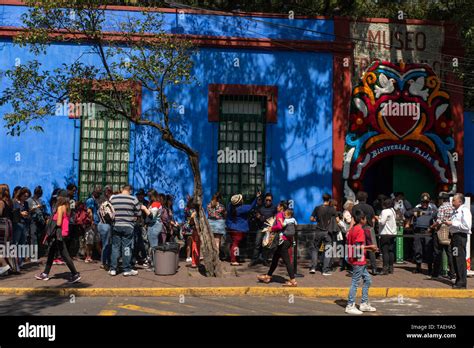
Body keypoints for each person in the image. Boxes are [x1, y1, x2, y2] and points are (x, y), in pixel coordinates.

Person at [35, 196, 81, 283]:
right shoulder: (67, 208)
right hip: (63, 233)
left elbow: (59, 223)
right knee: (51, 253)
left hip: (59, 234)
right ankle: (45, 273)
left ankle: (75, 274)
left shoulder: (60, 207)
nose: (57, 199)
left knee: (65, 255)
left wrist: (51, 221)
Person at [108, 185, 150, 276]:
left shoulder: (113, 199)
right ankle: (126, 269)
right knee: (126, 247)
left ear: (122, 189)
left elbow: (109, 210)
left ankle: (113, 269)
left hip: (115, 225)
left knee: (115, 247)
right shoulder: (133, 199)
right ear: (130, 191)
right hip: (128, 226)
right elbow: (138, 213)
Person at [345, 210, 378, 315]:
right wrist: (370, 247)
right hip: (358, 260)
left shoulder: (353, 229)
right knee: (355, 282)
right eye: (365, 218)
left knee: (368, 280)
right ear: (362, 219)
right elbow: (358, 247)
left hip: (357, 259)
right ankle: (350, 305)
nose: (366, 220)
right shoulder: (359, 230)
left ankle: (363, 304)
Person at [258, 204, 297, 287]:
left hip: (283, 241)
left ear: (281, 207)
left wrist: (271, 228)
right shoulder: (288, 216)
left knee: (287, 261)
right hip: (287, 240)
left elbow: (279, 226)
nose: (277, 207)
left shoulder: (280, 214)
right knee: (275, 259)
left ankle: (293, 281)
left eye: (278, 206)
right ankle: (268, 276)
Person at [405, 193, 437, 274]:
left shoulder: (432, 208)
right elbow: (406, 214)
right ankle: (418, 267)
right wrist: (413, 213)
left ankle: (430, 268)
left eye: (426, 202)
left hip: (428, 231)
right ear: (421, 202)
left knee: (429, 250)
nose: (425, 204)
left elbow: (438, 217)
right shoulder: (417, 208)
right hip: (418, 231)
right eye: (423, 202)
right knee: (417, 249)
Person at [445, 193, 472, 289]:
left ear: (460, 201)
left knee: (459, 259)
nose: (452, 202)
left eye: (454, 200)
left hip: (460, 237)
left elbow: (467, 226)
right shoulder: (455, 212)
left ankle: (461, 282)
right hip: (454, 237)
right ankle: (458, 279)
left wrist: (452, 223)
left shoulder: (464, 211)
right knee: (455, 258)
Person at [226, 192, 260, 266]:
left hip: (231, 228)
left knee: (235, 244)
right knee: (235, 244)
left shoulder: (230, 206)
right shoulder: (241, 209)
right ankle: (233, 260)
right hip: (239, 229)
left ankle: (236, 258)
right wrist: (256, 197)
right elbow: (251, 207)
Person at [429, 192, 455, 282]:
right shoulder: (453, 207)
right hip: (450, 232)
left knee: (438, 253)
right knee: (450, 253)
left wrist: (431, 227)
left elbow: (439, 221)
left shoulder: (441, 207)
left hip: (440, 232)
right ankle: (452, 274)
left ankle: (436, 273)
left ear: (442, 200)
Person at [309, 193, 336, 275]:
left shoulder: (317, 208)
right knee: (328, 250)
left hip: (318, 231)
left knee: (315, 249)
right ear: (329, 199)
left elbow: (311, 219)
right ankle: (325, 270)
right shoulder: (332, 209)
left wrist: (317, 220)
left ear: (323, 199)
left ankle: (313, 267)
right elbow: (337, 220)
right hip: (327, 232)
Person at [353, 191, 379, 275]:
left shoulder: (355, 207)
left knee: (359, 248)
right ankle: (374, 269)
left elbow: (353, 219)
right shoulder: (370, 207)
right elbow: (373, 219)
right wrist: (373, 227)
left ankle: (359, 269)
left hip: (358, 229)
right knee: (372, 249)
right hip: (368, 228)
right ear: (365, 198)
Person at [249, 193, 277, 267]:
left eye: (269, 200)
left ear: (272, 200)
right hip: (260, 228)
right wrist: (259, 217)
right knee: (257, 244)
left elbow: (276, 218)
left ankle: (265, 260)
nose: (268, 201)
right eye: (267, 200)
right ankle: (254, 259)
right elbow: (256, 215)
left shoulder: (274, 208)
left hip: (269, 229)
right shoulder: (260, 207)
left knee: (266, 245)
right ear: (264, 200)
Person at [378, 199, 397, 275]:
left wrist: (378, 218)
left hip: (385, 233)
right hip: (392, 233)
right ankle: (391, 268)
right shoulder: (392, 211)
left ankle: (385, 268)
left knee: (385, 251)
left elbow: (382, 222)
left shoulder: (385, 211)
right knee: (391, 251)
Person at [12, 187, 30, 267]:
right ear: (21, 195)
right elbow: (13, 213)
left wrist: (27, 214)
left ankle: (20, 261)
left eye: (27, 196)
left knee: (22, 243)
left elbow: (28, 212)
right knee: (15, 243)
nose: (25, 198)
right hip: (17, 224)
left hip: (24, 224)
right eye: (24, 196)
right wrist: (21, 213)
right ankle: (14, 262)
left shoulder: (26, 203)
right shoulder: (14, 202)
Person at [27, 186, 47, 257]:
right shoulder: (29, 200)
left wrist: (42, 208)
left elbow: (44, 211)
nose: (39, 196)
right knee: (33, 237)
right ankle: (33, 254)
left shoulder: (41, 201)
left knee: (39, 237)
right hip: (33, 221)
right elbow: (28, 211)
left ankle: (38, 253)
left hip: (40, 221)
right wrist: (36, 207)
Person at [97, 185, 114, 271]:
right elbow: (110, 216)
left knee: (105, 244)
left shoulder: (101, 202)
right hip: (106, 225)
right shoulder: (107, 203)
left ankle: (104, 262)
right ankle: (104, 263)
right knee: (106, 245)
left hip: (101, 224)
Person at [0, 184, 15, 275]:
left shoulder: (1, 202)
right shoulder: (9, 201)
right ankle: (10, 268)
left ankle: (5, 266)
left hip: (2, 224)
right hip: (8, 224)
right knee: (6, 247)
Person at [85, 185, 102, 263]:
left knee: (97, 241)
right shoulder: (90, 200)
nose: (99, 194)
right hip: (92, 223)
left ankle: (102, 256)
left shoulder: (96, 200)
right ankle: (88, 256)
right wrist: (92, 221)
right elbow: (89, 212)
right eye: (98, 193)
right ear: (94, 192)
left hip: (97, 222)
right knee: (89, 241)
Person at [337, 200, 354, 272]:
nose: (352, 206)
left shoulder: (347, 212)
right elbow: (349, 221)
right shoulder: (346, 212)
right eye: (351, 205)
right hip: (346, 231)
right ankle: (346, 264)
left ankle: (344, 264)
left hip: (346, 231)